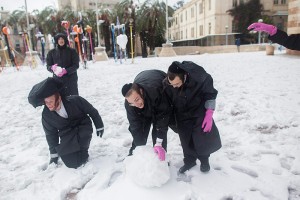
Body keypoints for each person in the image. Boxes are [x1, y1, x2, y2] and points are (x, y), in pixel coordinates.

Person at [28, 77, 104, 168]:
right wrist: (54, 156)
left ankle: (84, 149)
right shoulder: (46, 116)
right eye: (46, 102)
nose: (48, 105)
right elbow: (51, 135)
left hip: (83, 127)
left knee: (82, 156)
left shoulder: (76, 100)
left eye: (51, 101)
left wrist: (99, 126)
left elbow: (92, 111)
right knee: (71, 163)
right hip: (67, 133)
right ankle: (76, 150)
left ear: (59, 98)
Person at [163, 61, 222, 173]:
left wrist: (209, 113)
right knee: (185, 140)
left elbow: (210, 95)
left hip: (198, 111)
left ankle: (204, 161)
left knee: (201, 139)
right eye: (172, 84)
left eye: (176, 84)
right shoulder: (168, 83)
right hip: (180, 113)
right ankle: (189, 161)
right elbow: (167, 101)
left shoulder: (200, 78)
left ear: (184, 77)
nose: (174, 87)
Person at [121, 70, 172, 161]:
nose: (136, 104)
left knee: (158, 133)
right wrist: (140, 148)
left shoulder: (157, 91)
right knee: (140, 135)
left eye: (137, 99)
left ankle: (160, 161)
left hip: (158, 87)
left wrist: (159, 143)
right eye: (132, 103)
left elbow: (162, 120)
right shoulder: (130, 104)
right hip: (144, 87)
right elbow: (135, 126)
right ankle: (134, 158)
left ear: (141, 91)